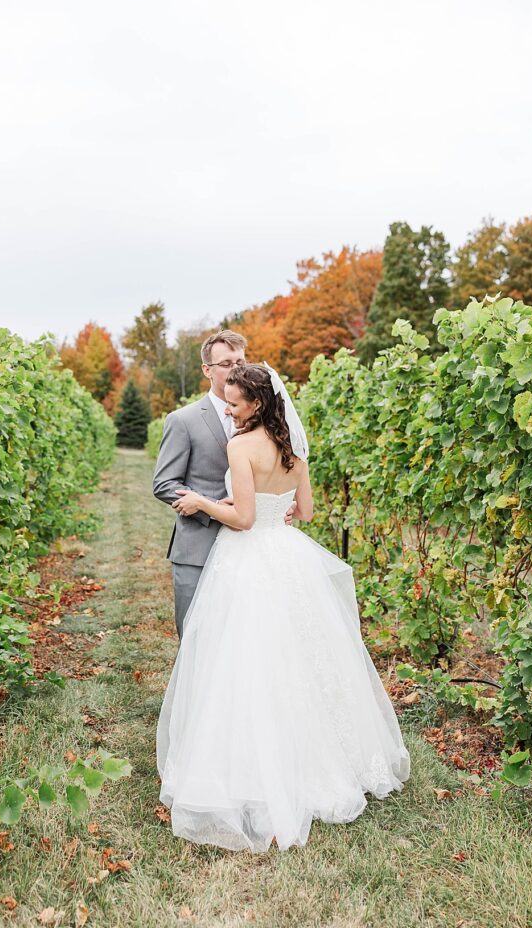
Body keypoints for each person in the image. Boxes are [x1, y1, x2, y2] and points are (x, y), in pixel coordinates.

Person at [155, 362, 411, 852]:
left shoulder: (240, 447)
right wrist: (283, 508)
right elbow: (307, 513)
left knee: (247, 659)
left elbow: (244, 519)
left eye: (232, 403)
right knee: (302, 657)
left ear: (254, 403)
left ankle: (252, 770)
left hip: (248, 560)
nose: (227, 412)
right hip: (290, 557)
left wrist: (200, 503)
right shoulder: (293, 450)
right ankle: (325, 761)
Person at [152, 330, 295, 639]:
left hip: (252, 548)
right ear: (207, 370)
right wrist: (212, 507)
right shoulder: (183, 420)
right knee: (195, 637)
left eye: (241, 361)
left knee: (242, 641)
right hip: (198, 548)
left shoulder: (268, 424)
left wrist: (285, 505)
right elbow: (164, 482)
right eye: (226, 363)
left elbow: (279, 474)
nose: (236, 369)